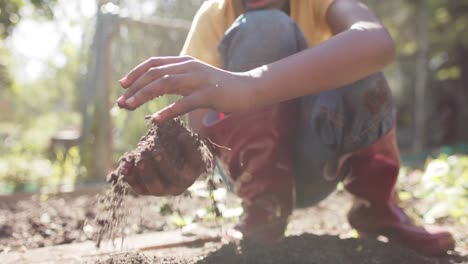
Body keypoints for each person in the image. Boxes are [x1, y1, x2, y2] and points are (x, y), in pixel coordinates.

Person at [116, 0, 455, 256]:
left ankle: (377, 207)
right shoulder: (214, 16)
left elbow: (377, 42)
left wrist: (250, 86)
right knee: (263, 26)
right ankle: (265, 208)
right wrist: (179, 166)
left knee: (362, 66)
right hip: (251, 169)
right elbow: (196, 126)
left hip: (326, 157)